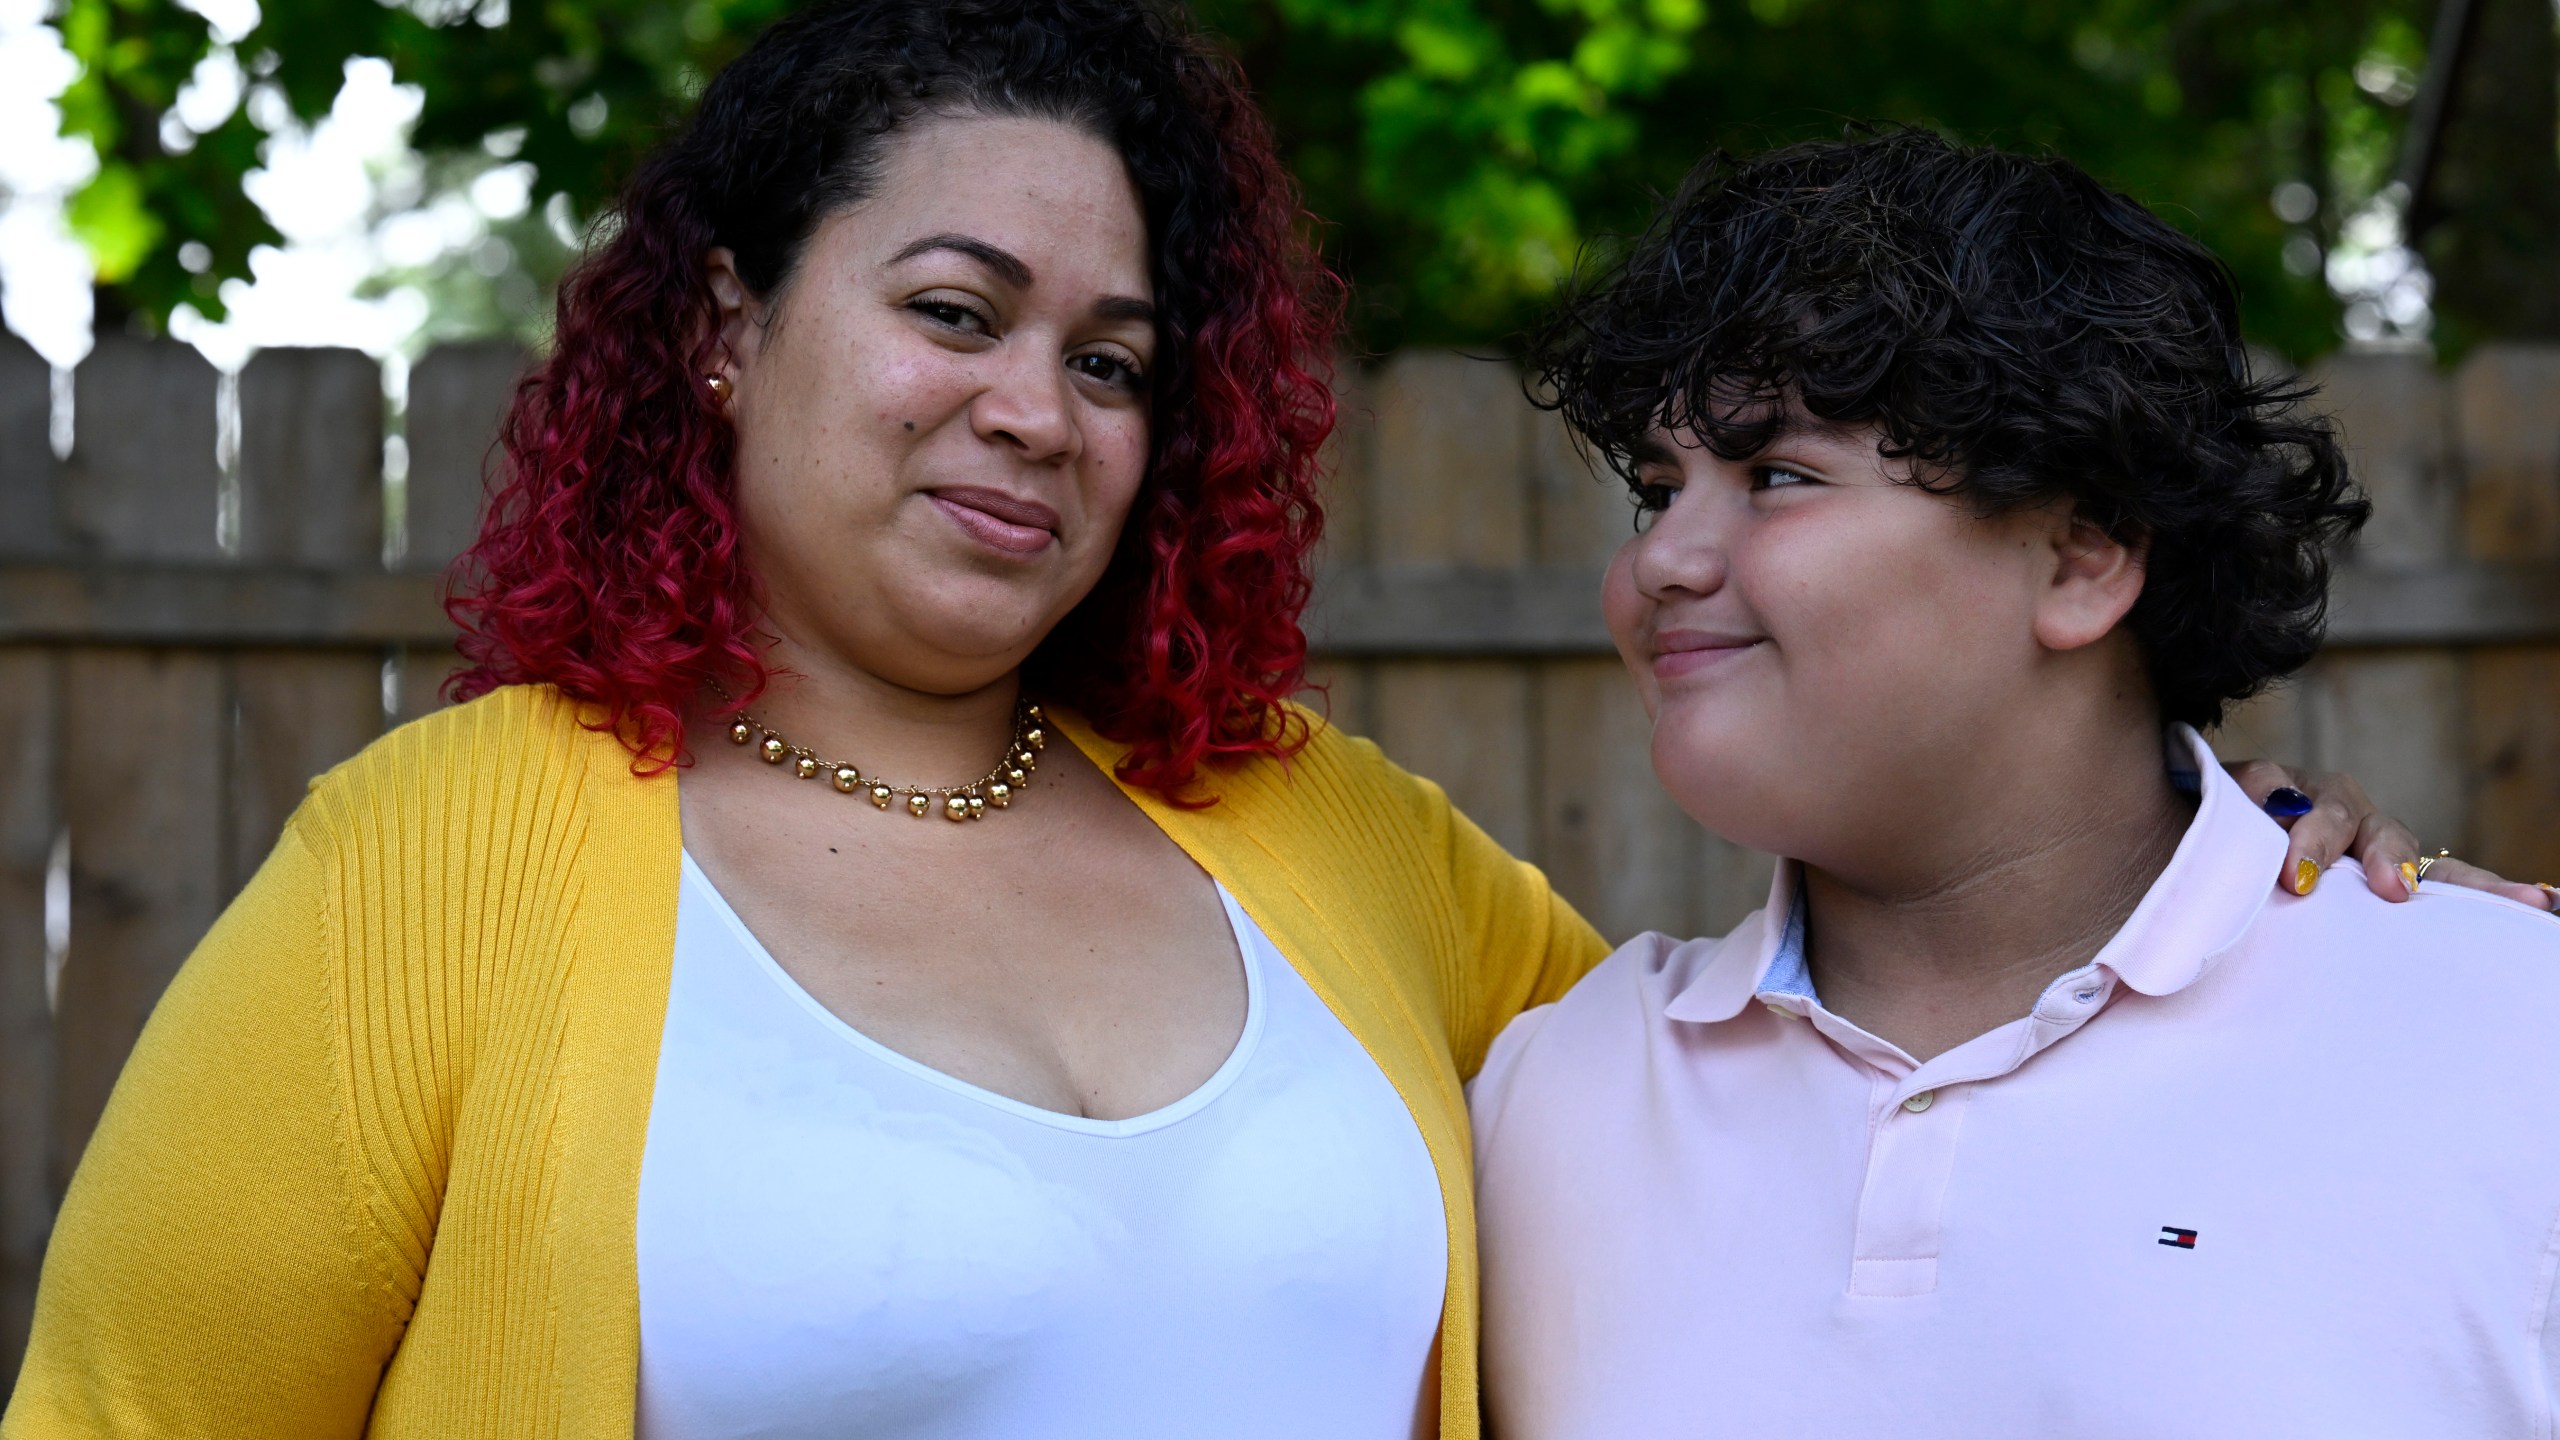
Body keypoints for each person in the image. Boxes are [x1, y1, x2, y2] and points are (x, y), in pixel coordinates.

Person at [0, 8, 2467, 1433]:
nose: (1033, 410)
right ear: (728, 330)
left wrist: (2229, 852)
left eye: (1111, 363)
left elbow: (1810, 1050)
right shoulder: (430, 869)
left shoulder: (1310, 839)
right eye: (951, 312)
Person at [1470, 130, 2560, 1440]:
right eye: (1658, 493)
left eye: (1777, 477)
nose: (1662, 562)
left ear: (2082, 557)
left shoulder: (2512, 1040)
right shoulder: (1545, 1095)